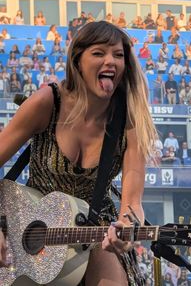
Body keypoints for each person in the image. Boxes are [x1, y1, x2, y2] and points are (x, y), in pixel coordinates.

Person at [0, 21, 157, 285]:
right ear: (77, 60)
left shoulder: (130, 121)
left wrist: (127, 231)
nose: (111, 61)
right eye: (99, 53)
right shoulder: (47, 102)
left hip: (94, 229)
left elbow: (133, 204)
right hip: (31, 226)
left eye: (118, 55)